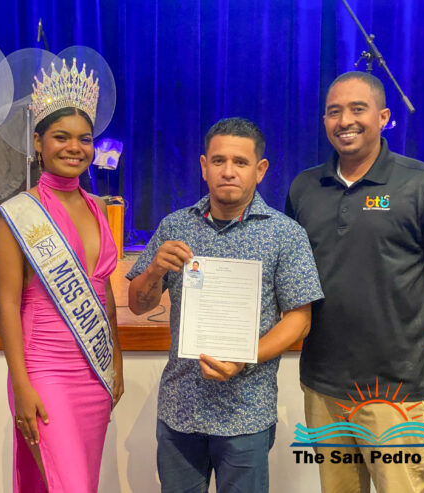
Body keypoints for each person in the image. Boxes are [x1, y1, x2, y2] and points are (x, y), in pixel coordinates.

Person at [285, 71, 424, 493]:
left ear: (384, 117)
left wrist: (412, 334)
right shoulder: (304, 188)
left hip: (394, 392)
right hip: (324, 384)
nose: (345, 121)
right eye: (334, 111)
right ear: (324, 120)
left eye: (358, 109)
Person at [127, 117, 324, 492]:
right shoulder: (175, 227)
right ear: (204, 166)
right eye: (218, 161)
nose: (228, 171)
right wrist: (153, 271)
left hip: (245, 413)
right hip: (180, 409)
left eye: (240, 162)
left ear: (260, 170)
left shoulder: (285, 234)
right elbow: (138, 305)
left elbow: (299, 320)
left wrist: (244, 358)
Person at [0, 58, 123, 493]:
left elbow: (103, 293)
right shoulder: (17, 214)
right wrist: (20, 384)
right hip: (44, 371)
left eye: (84, 139)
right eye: (61, 137)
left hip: (94, 371)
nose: (75, 148)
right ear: (38, 142)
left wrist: (117, 360)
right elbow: (7, 304)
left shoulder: (99, 208)